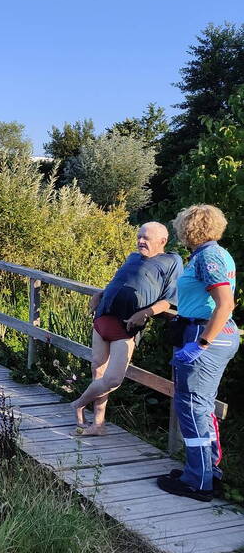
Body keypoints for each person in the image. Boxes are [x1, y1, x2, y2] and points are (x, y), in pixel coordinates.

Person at [156, 205, 239, 502]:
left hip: (205, 335)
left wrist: (200, 343)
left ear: (188, 228)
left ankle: (198, 481)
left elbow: (225, 304)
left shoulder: (208, 258)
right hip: (208, 332)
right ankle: (205, 471)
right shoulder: (216, 254)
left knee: (191, 407)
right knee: (200, 406)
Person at [71, 222, 182, 436]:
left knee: (112, 379)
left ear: (162, 241)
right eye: (139, 236)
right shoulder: (133, 257)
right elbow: (120, 281)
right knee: (98, 371)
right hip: (103, 317)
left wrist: (146, 312)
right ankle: (99, 424)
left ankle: (78, 403)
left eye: (146, 238)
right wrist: (100, 293)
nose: (140, 241)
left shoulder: (171, 261)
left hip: (127, 326)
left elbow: (169, 300)